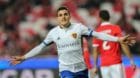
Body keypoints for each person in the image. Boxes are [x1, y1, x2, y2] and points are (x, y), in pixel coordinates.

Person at [11, 6, 135, 78]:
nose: (63, 17)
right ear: (57, 18)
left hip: (81, 69)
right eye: (60, 15)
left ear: (69, 16)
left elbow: (98, 34)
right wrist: (24, 57)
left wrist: (118, 39)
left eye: (65, 14)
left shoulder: (78, 27)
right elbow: (40, 47)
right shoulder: (53, 33)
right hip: (66, 70)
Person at [92, 10, 136, 78]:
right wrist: (131, 60)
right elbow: (123, 44)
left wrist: (95, 66)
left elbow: (95, 51)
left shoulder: (97, 32)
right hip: (116, 63)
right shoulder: (115, 28)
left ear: (100, 18)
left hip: (104, 65)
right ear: (109, 17)